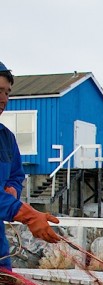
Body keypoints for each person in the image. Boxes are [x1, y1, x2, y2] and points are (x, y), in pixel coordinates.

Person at [0, 61, 60, 269]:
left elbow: (16, 174)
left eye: (7, 93)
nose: (3, 99)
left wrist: (12, 191)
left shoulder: (6, 137)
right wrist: (28, 215)